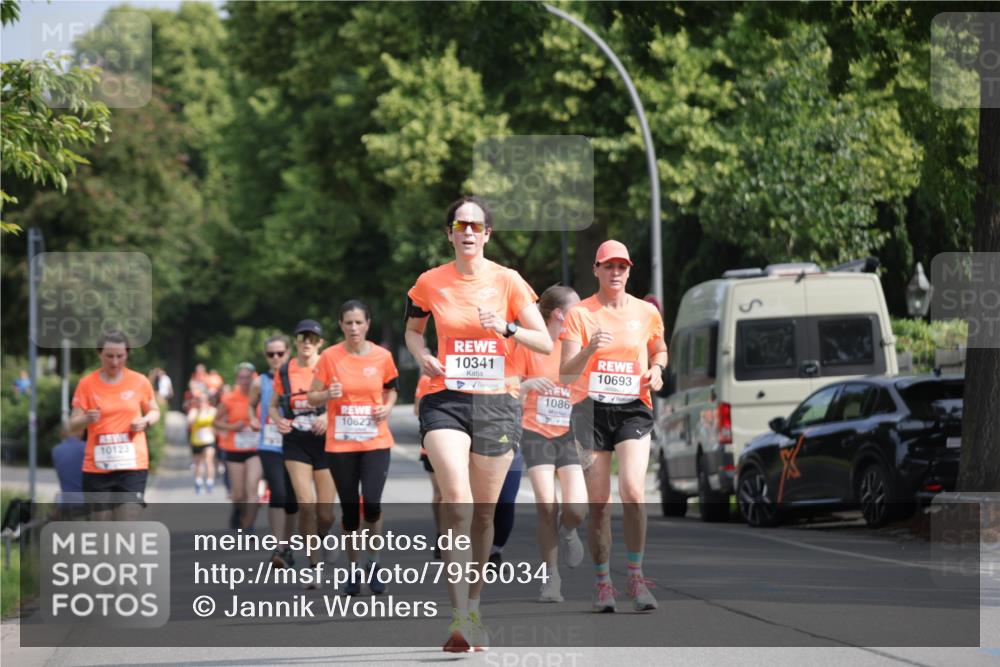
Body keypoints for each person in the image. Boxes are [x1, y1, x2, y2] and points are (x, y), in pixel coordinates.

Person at [404, 195, 552, 652]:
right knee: (458, 500)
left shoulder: (508, 282)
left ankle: (475, 606)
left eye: (476, 225)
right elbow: (413, 330)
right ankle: (458, 618)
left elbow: (543, 342)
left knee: (485, 514)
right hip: (445, 399)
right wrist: (421, 355)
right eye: (459, 224)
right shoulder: (430, 282)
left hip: (497, 404)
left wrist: (506, 328)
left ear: (487, 235)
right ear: (449, 233)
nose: (467, 231)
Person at [560, 240, 667, 613]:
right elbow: (566, 371)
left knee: (634, 492)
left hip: (633, 408)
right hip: (590, 411)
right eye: (608, 266)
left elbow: (659, 348)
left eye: (621, 267)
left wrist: (657, 369)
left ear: (629, 270)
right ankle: (603, 582)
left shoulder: (646, 312)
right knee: (600, 503)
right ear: (596, 270)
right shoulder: (579, 314)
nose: (615, 273)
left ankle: (636, 576)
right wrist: (589, 348)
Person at [310, 300, 398, 596]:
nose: (354, 328)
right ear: (341, 326)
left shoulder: (382, 356)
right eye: (348, 323)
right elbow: (311, 396)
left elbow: (392, 388)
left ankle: (373, 562)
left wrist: (387, 407)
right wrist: (326, 393)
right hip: (341, 444)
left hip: (375, 441)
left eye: (359, 322)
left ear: (367, 324)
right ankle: (353, 568)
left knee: (371, 504)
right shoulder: (329, 357)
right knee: (349, 513)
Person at [509, 284, 586, 603]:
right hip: (535, 431)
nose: (581, 315)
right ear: (558, 314)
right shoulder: (529, 345)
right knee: (546, 504)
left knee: (576, 508)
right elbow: (509, 385)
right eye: (576, 310)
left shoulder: (575, 345)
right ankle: (550, 578)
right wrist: (526, 385)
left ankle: (569, 531)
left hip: (568, 433)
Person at [68, 331, 161, 520]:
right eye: (109, 356)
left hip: (132, 465)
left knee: (127, 522)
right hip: (97, 467)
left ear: (127, 354)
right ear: (99, 354)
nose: (115, 362)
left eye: (121, 356)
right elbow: (72, 425)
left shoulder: (139, 381)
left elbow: (155, 411)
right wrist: (86, 419)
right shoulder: (87, 384)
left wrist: (145, 421)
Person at [270, 320, 334, 583]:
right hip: (296, 441)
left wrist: (328, 416)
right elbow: (273, 405)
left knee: (325, 513)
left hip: (325, 441)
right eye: (302, 337)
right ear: (295, 341)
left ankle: (322, 536)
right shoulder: (285, 371)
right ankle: (313, 564)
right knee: (305, 503)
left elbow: (346, 398)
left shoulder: (329, 366)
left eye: (312, 338)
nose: (307, 342)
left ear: (320, 342)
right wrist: (277, 419)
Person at [248, 334, 297, 568]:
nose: (276, 358)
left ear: (288, 353)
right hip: (269, 443)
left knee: (294, 498)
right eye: (271, 354)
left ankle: (288, 543)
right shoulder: (260, 381)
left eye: (280, 353)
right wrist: (252, 419)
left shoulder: (296, 375)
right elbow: (251, 404)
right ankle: (280, 547)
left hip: (296, 442)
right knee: (277, 491)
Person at [215, 363, 262, 531]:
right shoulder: (229, 398)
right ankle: (239, 511)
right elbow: (216, 422)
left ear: (253, 378)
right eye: (241, 378)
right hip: (234, 449)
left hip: (255, 450)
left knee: (252, 486)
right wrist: (232, 427)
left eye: (248, 378)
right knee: (238, 494)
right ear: (237, 379)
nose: (245, 381)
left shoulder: (262, 396)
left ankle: (248, 525)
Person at [414, 373, 443, 559]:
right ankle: (441, 533)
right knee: (441, 492)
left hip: (467, 443)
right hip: (434, 444)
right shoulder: (427, 378)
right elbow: (417, 409)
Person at [187, 392, 217, 494]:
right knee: (198, 463)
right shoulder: (194, 411)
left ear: (207, 401)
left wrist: (214, 429)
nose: (201, 402)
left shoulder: (212, 411)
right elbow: (190, 422)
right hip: (196, 441)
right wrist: (198, 413)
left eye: (203, 400)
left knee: (209, 460)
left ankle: (209, 482)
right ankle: (198, 482)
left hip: (209, 440)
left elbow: (218, 422)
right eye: (199, 400)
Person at [52, 423, 86, 509]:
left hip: (67, 500)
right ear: (80, 431)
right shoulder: (87, 448)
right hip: (87, 499)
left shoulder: (56, 450)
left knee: (58, 497)